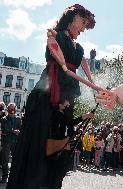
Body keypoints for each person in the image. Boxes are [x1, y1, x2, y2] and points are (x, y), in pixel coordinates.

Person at [7, 4, 97, 189]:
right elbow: (56, 55)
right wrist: (51, 38)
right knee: (42, 137)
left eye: (86, 23)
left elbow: (84, 66)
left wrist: (95, 86)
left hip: (67, 93)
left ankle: (52, 182)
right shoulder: (55, 35)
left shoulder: (77, 46)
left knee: (61, 137)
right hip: (49, 91)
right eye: (82, 21)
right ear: (72, 17)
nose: (83, 27)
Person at [44, 98, 94, 189]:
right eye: (65, 106)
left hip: (64, 145)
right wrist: (85, 116)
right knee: (56, 170)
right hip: (56, 145)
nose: (67, 107)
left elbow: (68, 128)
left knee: (62, 170)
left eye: (68, 106)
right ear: (60, 105)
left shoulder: (64, 115)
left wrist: (78, 132)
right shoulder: (56, 115)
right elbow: (68, 124)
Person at [0, 103, 21, 183]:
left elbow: (20, 129)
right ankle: (5, 177)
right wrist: (13, 131)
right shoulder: (3, 119)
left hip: (15, 142)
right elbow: (5, 130)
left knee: (15, 159)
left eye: (14, 108)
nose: (12, 110)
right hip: (6, 142)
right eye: (11, 108)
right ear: (8, 109)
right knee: (5, 160)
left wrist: (18, 131)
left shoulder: (18, 119)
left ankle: (14, 177)